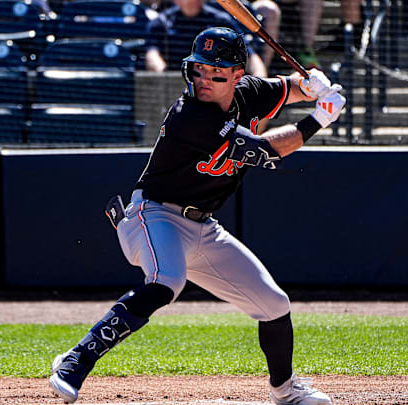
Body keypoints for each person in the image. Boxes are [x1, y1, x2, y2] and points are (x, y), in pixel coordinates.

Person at [49, 27, 345, 404]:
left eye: (217, 73)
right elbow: (263, 153)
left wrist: (311, 82)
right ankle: (75, 362)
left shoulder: (250, 92)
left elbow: (289, 87)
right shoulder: (189, 115)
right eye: (198, 70)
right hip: (152, 216)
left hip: (203, 226)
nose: (204, 80)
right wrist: (317, 119)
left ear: (238, 75)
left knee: (274, 304)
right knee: (166, 281)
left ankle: (286, 392)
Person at [145, 0, 278, 77]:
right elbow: (152, 56)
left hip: (218, 85)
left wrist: (260, 79)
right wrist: (162, 75)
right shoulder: (161, 22)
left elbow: (248, 55)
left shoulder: (221, 20)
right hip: (178, 86)